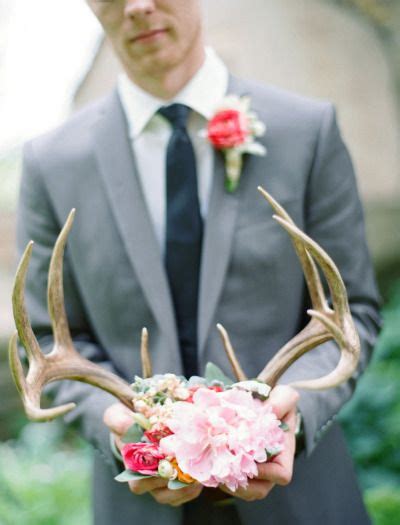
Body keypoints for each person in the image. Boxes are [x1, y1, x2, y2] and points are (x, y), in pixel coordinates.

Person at [17, 1, 381, 524]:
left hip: (301, 501)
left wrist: (293, 411)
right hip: (140, 505)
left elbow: (354, 311)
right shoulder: (52, 164)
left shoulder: (307, 131)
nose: (138, 6)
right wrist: (112, 424)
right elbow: (48, 339)